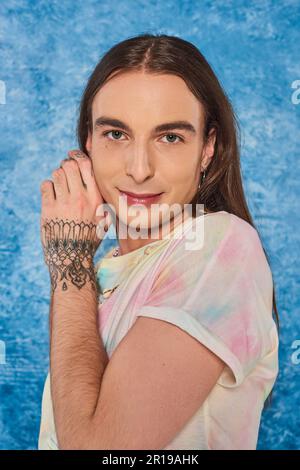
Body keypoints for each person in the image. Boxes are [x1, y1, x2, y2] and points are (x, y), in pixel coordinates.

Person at [38, 33, 279, 450]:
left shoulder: (219, 245)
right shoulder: (102, 272)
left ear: (207, 148)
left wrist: (69, 258)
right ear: (88, 144)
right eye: (117, 134)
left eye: (170, 137)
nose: (139, 168)